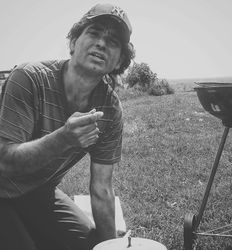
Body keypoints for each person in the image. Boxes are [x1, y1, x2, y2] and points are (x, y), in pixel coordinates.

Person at [0, 3, 135, 250]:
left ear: (119, 62)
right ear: (73, 42)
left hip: (39, 192)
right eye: (93, 33)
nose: (102, 44)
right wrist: (62, 139)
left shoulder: (110, 109)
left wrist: (109, 247)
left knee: (93, 245)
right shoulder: (29, 78)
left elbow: (102, 188)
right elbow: (4, 163)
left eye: (113, 41)